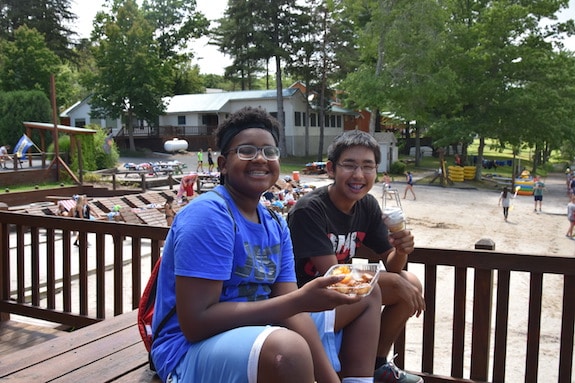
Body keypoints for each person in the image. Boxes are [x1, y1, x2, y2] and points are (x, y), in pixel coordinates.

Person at [151, 106, 382, 383]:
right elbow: (196, 323)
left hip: (258, 330)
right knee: (288, 349)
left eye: (270, 151)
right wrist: (298, 301)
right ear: (223, 164)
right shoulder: (210, 215)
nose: (261, 158)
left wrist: (329, 379)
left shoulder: (275, 223)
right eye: (247, 151)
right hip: (187, 351)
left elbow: (292, 311)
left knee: (367, 293)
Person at [288, 130, 425, 383]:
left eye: (367, 166)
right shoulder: (310, 210)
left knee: (410, 281)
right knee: (396, 285)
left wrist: (401, 250)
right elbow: (333, 278)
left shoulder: (367, 205)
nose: (359, 175)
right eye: (349, 165)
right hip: (305, 305)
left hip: (340, 299)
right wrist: (392, 282)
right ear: (331, 169)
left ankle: (378, 365)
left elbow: (393, 267)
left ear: (376, 171)